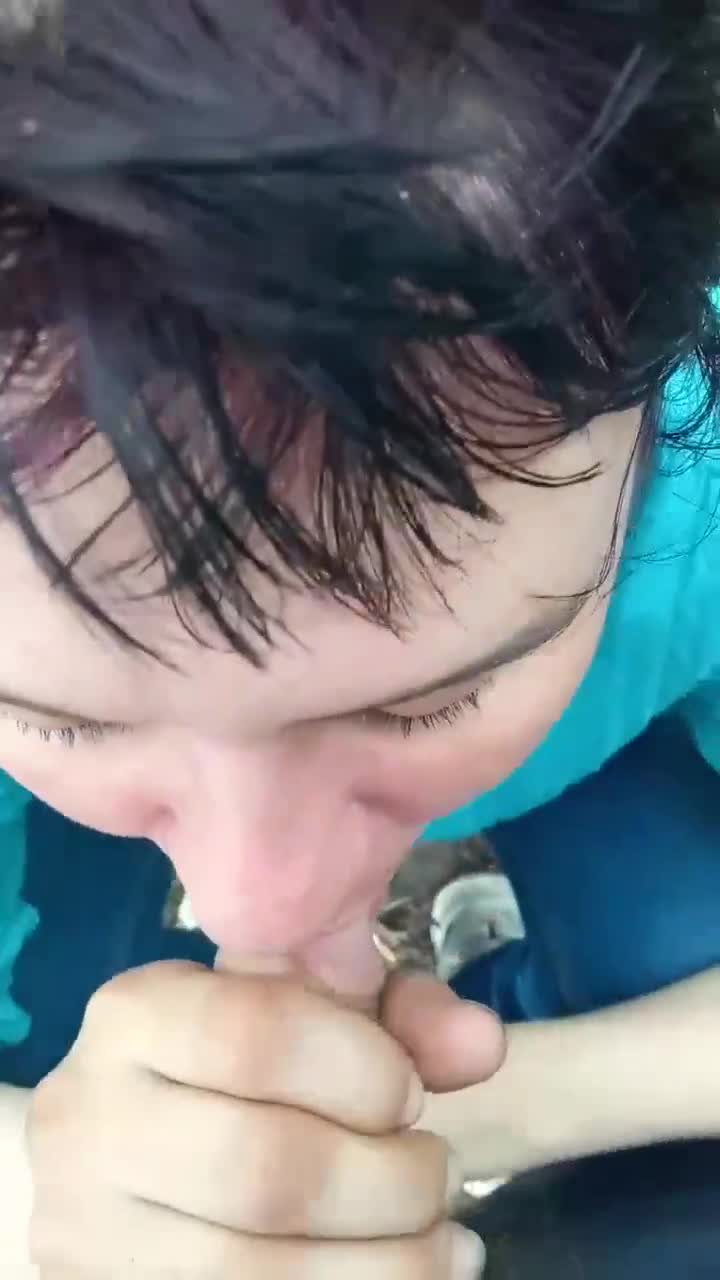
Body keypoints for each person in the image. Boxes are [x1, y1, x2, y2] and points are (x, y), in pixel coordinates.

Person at [1, 1, 720, 1275]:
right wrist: (43, 1185)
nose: (251, 898)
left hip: (622, 704)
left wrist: (468, 1112)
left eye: (430, 697)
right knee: (76, 1064)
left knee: (674, 942)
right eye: (51, 713)